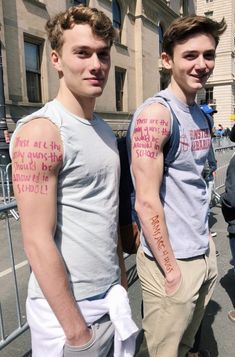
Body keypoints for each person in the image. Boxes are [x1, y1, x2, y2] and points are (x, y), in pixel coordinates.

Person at [10, 5, 138, 357]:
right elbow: (36, 240)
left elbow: (107, 215)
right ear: (55, 59)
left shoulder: (104, 132)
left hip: (110, 298)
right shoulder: (42, 131)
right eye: (81, 53)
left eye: (102, 54)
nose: (95, 65)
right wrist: (76, 332)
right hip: (67, 317)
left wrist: (121, 284)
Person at [127, 15, 226, 357]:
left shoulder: (199, 114)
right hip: (172, 262)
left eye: (208, 55)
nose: (202, 65)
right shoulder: (157, 115)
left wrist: (208, 255)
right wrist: (170, 271)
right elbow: (146, 202)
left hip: (201, 252)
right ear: (167, 60)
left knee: (185, 347)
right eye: (190, 55)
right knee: (163, 351)